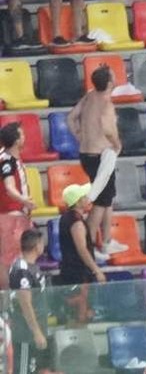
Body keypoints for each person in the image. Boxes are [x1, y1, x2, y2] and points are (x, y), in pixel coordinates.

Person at [67, 65, 123, 257]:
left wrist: (79, 137)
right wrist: (117, 145)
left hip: (86, 154)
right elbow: (108, 129)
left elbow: (71, 117)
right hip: (101, 156)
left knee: (107, 199)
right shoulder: (106, 103)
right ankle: (90, 246)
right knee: (100, 202)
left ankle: (106, 241)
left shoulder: (90, 95)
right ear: (109, 83)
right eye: (114, 76)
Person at [9, 228, 47, 374]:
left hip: (34, 331)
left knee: (32, 368)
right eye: (42, 243)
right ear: (37, 245)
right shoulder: (22, 270)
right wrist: (36, 331)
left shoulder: (32, 267)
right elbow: (25, 303)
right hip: (25, 333)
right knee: (24, 370)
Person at [57, 184, 105, 286]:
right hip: (78, 274)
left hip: (70, 270)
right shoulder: (76, 222)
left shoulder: (66, 217)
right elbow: (82, 249)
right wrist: (96, 270)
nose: (87, 198)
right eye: (84, 197)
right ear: (78, 202)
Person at [0, 122, 32, 217]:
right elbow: (9, 187)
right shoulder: (7, 161)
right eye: (22, 134)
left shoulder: (11, 157)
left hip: (17, 211)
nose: (24, 137)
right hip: (12, 213)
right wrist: (24, 200)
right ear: (16, 141)